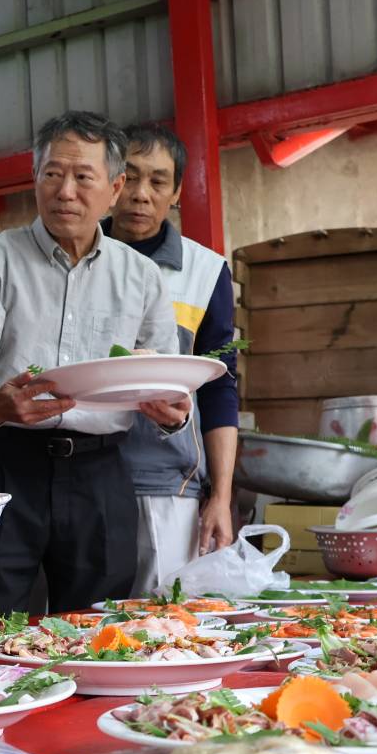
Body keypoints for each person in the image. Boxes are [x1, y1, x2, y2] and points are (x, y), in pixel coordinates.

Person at [0, 111, 180, 613]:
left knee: (99, 626)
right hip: (5, 463)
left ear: (113, 188)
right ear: (36, 179)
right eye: (52, 174)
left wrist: (174, 412)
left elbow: (165, 374)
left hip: (101, 471)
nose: (64, 190)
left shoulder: (142, 277)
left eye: (82, 177)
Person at [106, 123, 239, 594]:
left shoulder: (206, 272)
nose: (141, 195)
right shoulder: (73, 260)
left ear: (178, 192)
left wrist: (220, 496)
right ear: (111, 182)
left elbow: (221, 387)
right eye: (130, 177)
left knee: (162, 627)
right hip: (80, 477)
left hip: (168, 485)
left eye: (158, 181)